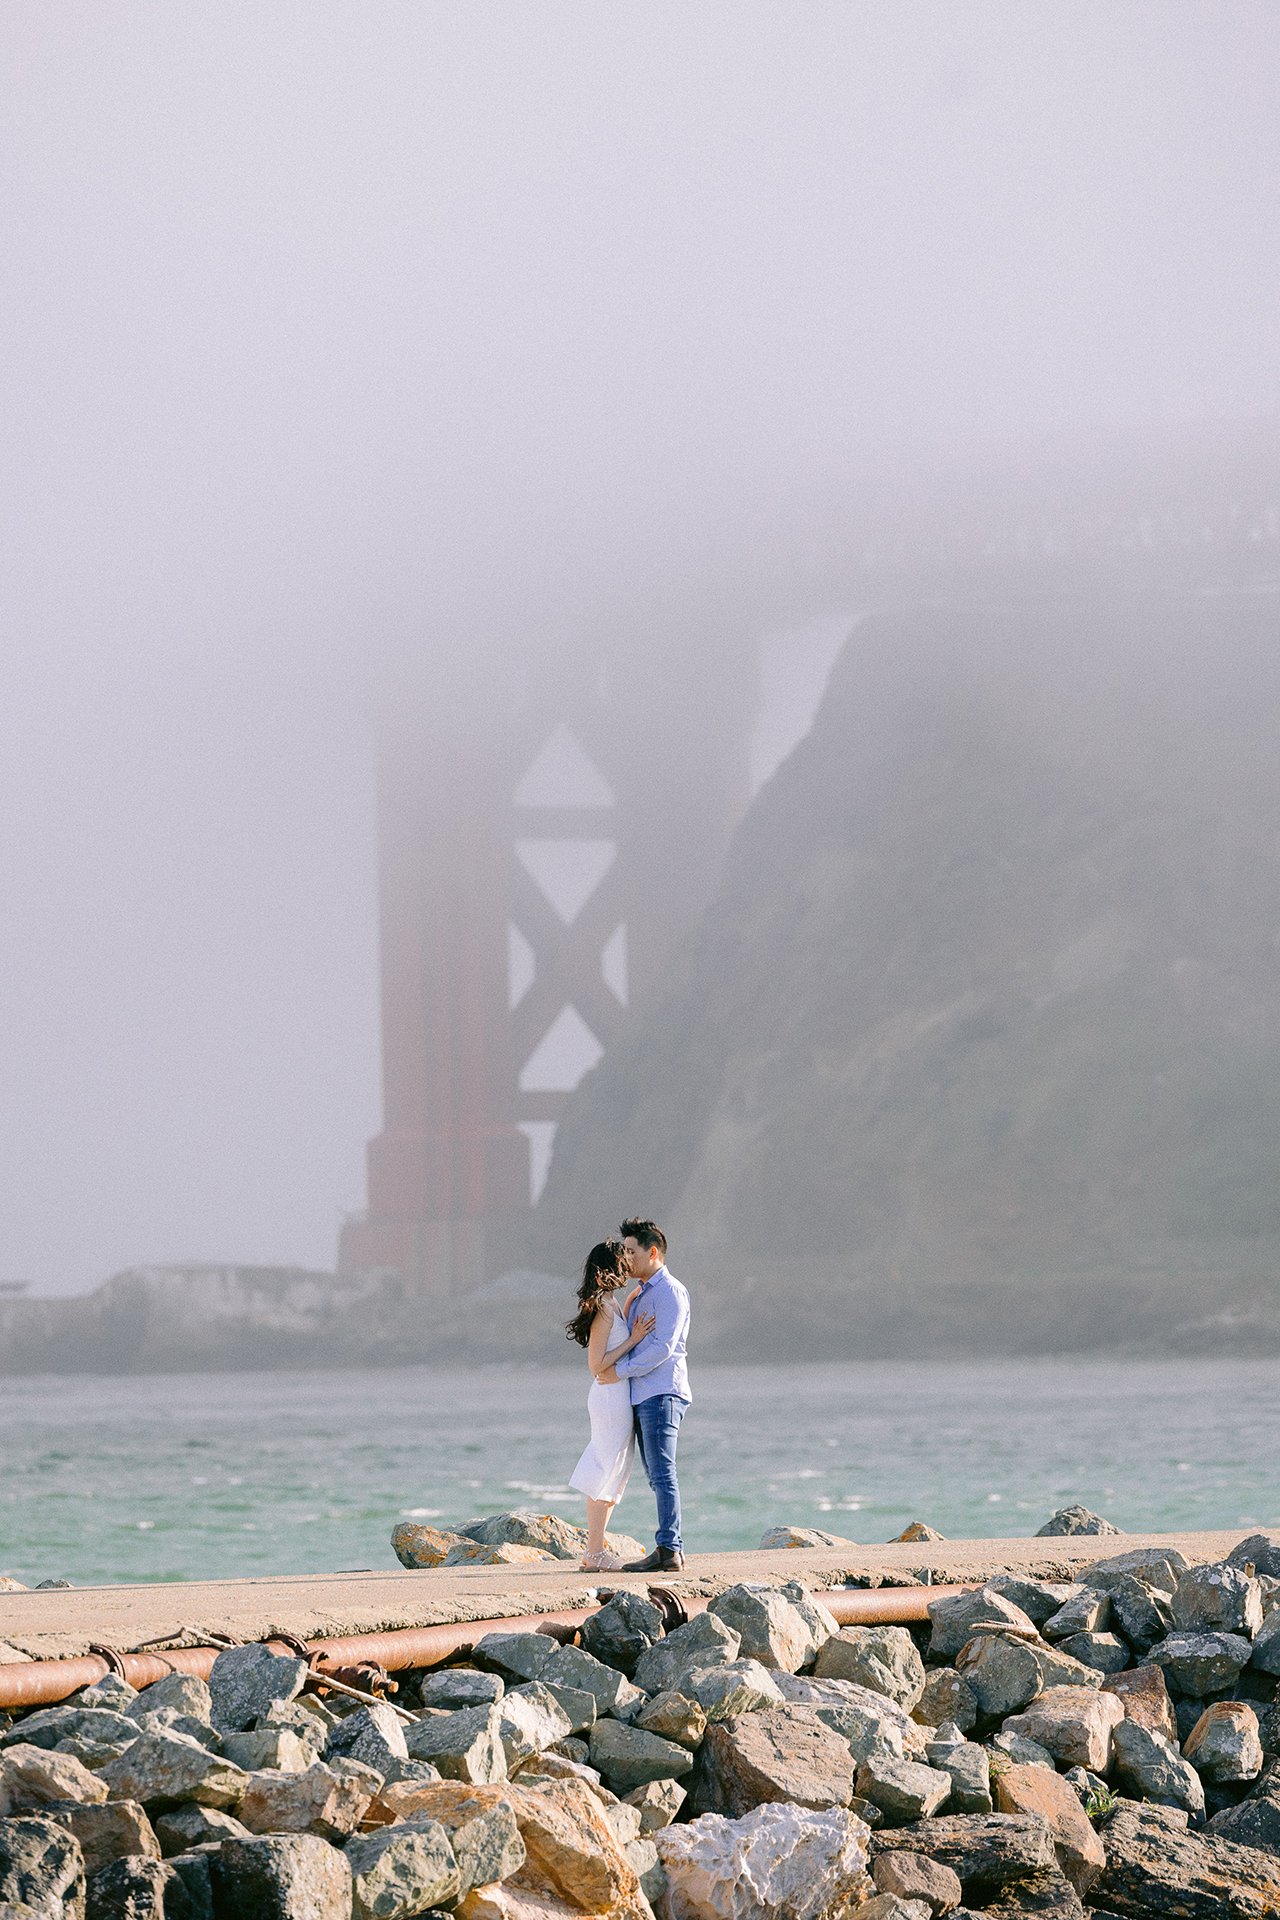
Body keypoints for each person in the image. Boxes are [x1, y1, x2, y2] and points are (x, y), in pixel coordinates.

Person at [599, 1217, 691, 1573]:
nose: (625, 1258)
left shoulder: (670, 1291)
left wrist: (617, 1372)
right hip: (644, 1393)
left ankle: (670, 1549)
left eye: (631, 1251)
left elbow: (662, 1348)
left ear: (652, 1252)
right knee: (655, 1473)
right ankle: (668, 1547)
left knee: (663, 1472)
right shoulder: (641, 1294)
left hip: (663, 1392)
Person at [566, 1239, 656, 1571]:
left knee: (616, 1470)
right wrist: (633, 1339)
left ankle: (596, 1550)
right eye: (625, 1257)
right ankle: (594, 1553)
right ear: (614, 1265)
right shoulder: (604, 1308)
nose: (630, 1261)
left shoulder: (612, 1302)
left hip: (617, 1395)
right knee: (606, 1468)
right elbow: (595, 1364)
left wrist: (633, 1302)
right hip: (608, 1396)